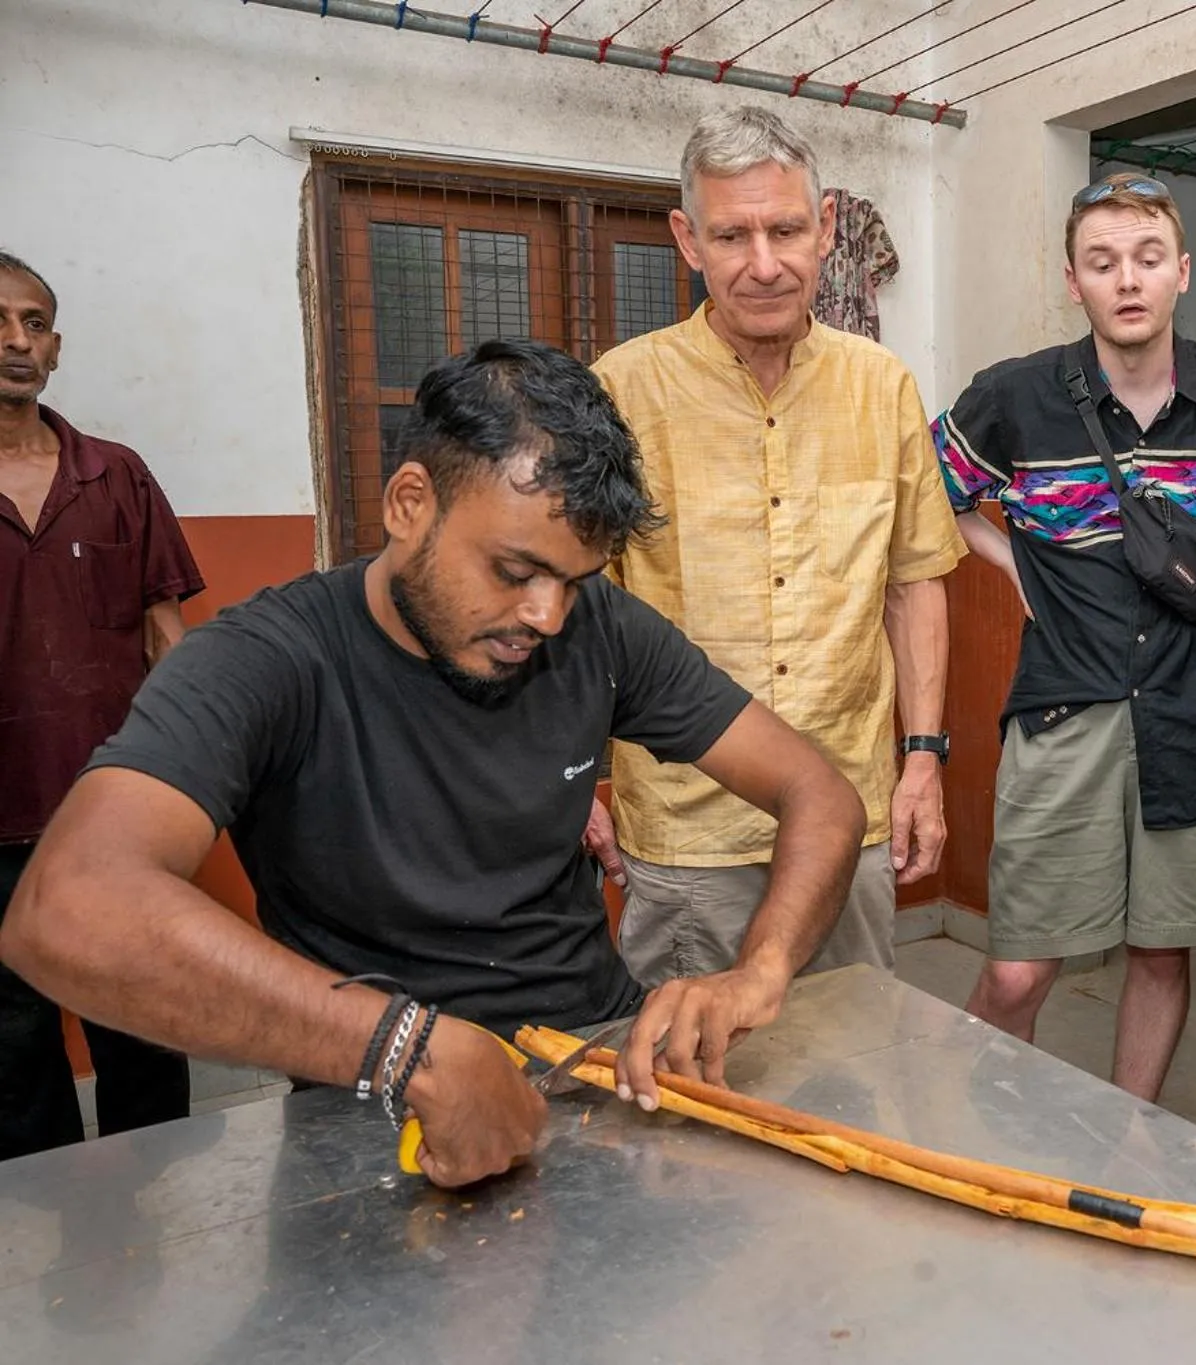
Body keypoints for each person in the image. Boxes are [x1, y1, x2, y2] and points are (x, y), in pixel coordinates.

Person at [0, 339, 868, 1188]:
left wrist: (758, 971)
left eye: (573, 581)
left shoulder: (598, 629)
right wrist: (406, 1046)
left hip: (596, 1064)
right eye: (516, 570)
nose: (547, 616)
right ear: (410, 502)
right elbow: (70, 906)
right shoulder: (267, 658)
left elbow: (819, 793)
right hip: (371, 1105)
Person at [932, 172, 1196, 1103]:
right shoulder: (1014, 396)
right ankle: (965, 1143)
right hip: (1066, 709)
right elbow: (926, 490)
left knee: (1161, 953)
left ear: (1182, 271)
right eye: (1103, 262)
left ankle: (1133, 1138)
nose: (1127, 279)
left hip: (1195, 713)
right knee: (1019, 966)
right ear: (1074, 281)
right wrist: (1011, 562)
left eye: (1146, 258)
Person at [590, 107, 963, 986]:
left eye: (787, 230)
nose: (764, 264)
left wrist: (923, 758)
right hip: (690, 827)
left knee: (856, 1050)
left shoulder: (882, 385)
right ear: (688, 239)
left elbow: (913, 582)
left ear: (827, 226)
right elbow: (576, 608)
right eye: (732, 235)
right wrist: (562, 786)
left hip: (849, 813)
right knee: (690, 1064)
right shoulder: (621, 391)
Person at [0, 252, 202, 1160]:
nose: (17, 341)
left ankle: (151, 1201)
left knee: (143, 1024)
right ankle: (40, 1211)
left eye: (35, 323)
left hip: (116, 812)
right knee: (13, 1051)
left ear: (56, 348)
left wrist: (190, 785)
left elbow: (168, 641)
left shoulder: (116, 476)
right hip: (0, 823)